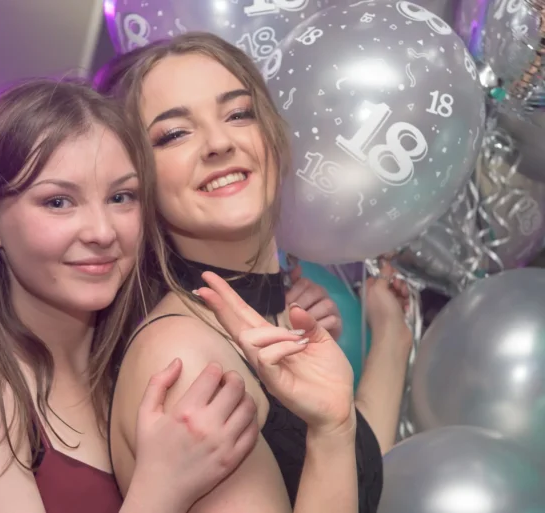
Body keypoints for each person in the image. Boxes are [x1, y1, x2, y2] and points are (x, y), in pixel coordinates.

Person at [0, 78, 262, 513]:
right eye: (58, 202)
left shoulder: (126, 368)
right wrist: (162, 489)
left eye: (121, 197)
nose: (101, 231)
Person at [96, 32, 414, 512]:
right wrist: (329, 432)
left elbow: (357, 480)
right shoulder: (187, 362)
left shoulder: (271, 318)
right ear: (135, 179)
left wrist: (391, 337)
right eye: (174, 133)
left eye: (238, 113)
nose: (219, 143)